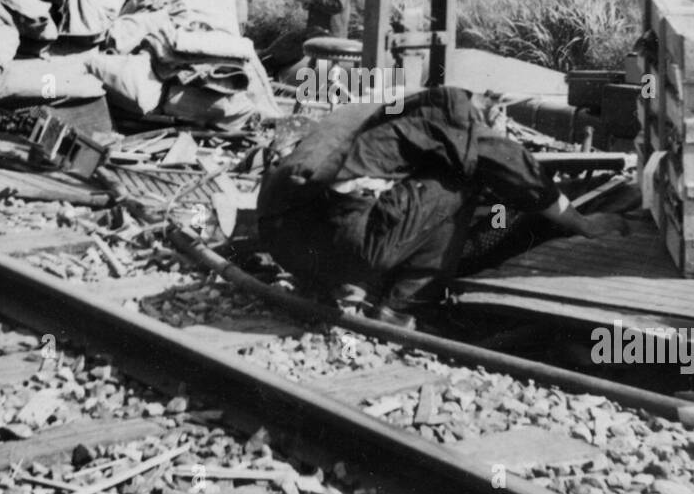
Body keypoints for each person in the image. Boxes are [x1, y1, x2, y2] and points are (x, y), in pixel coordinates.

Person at [257, 87, 630, 326]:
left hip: (280, 237)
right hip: (342, 243)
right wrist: (584, 224)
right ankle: (406, 306)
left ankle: (339, 285)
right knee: (464, 178)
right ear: (486, 108)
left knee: (400, 194)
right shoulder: (454, 113)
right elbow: (516, 168)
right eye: (498, 122)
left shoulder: (383, 110)